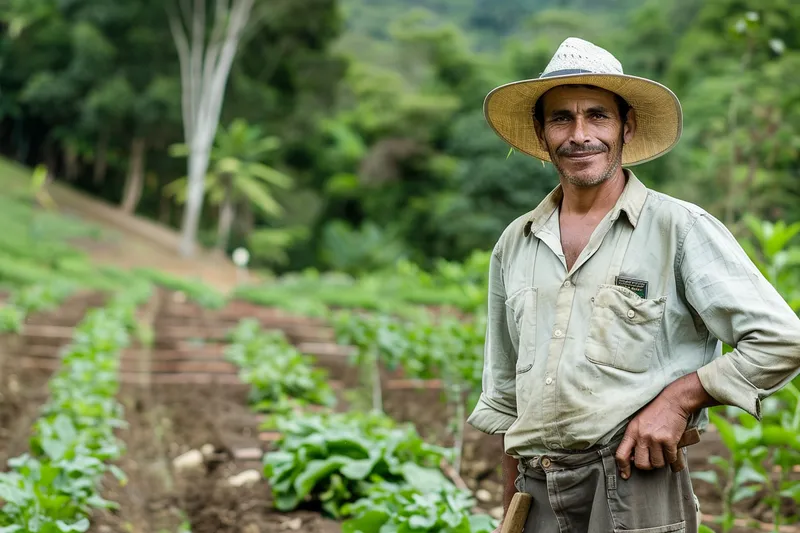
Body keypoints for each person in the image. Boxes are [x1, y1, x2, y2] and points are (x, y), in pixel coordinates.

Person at [468, 37, 800, 533]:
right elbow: (507, 397)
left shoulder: (678, 228)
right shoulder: (515, 242)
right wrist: (508, 510)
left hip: (633, 478)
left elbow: (782, 338)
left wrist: (679, 400)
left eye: (597, 115)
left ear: (628, 125)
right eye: (561, 118)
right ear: (541, 132)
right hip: (535, 491)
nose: (580, 135)